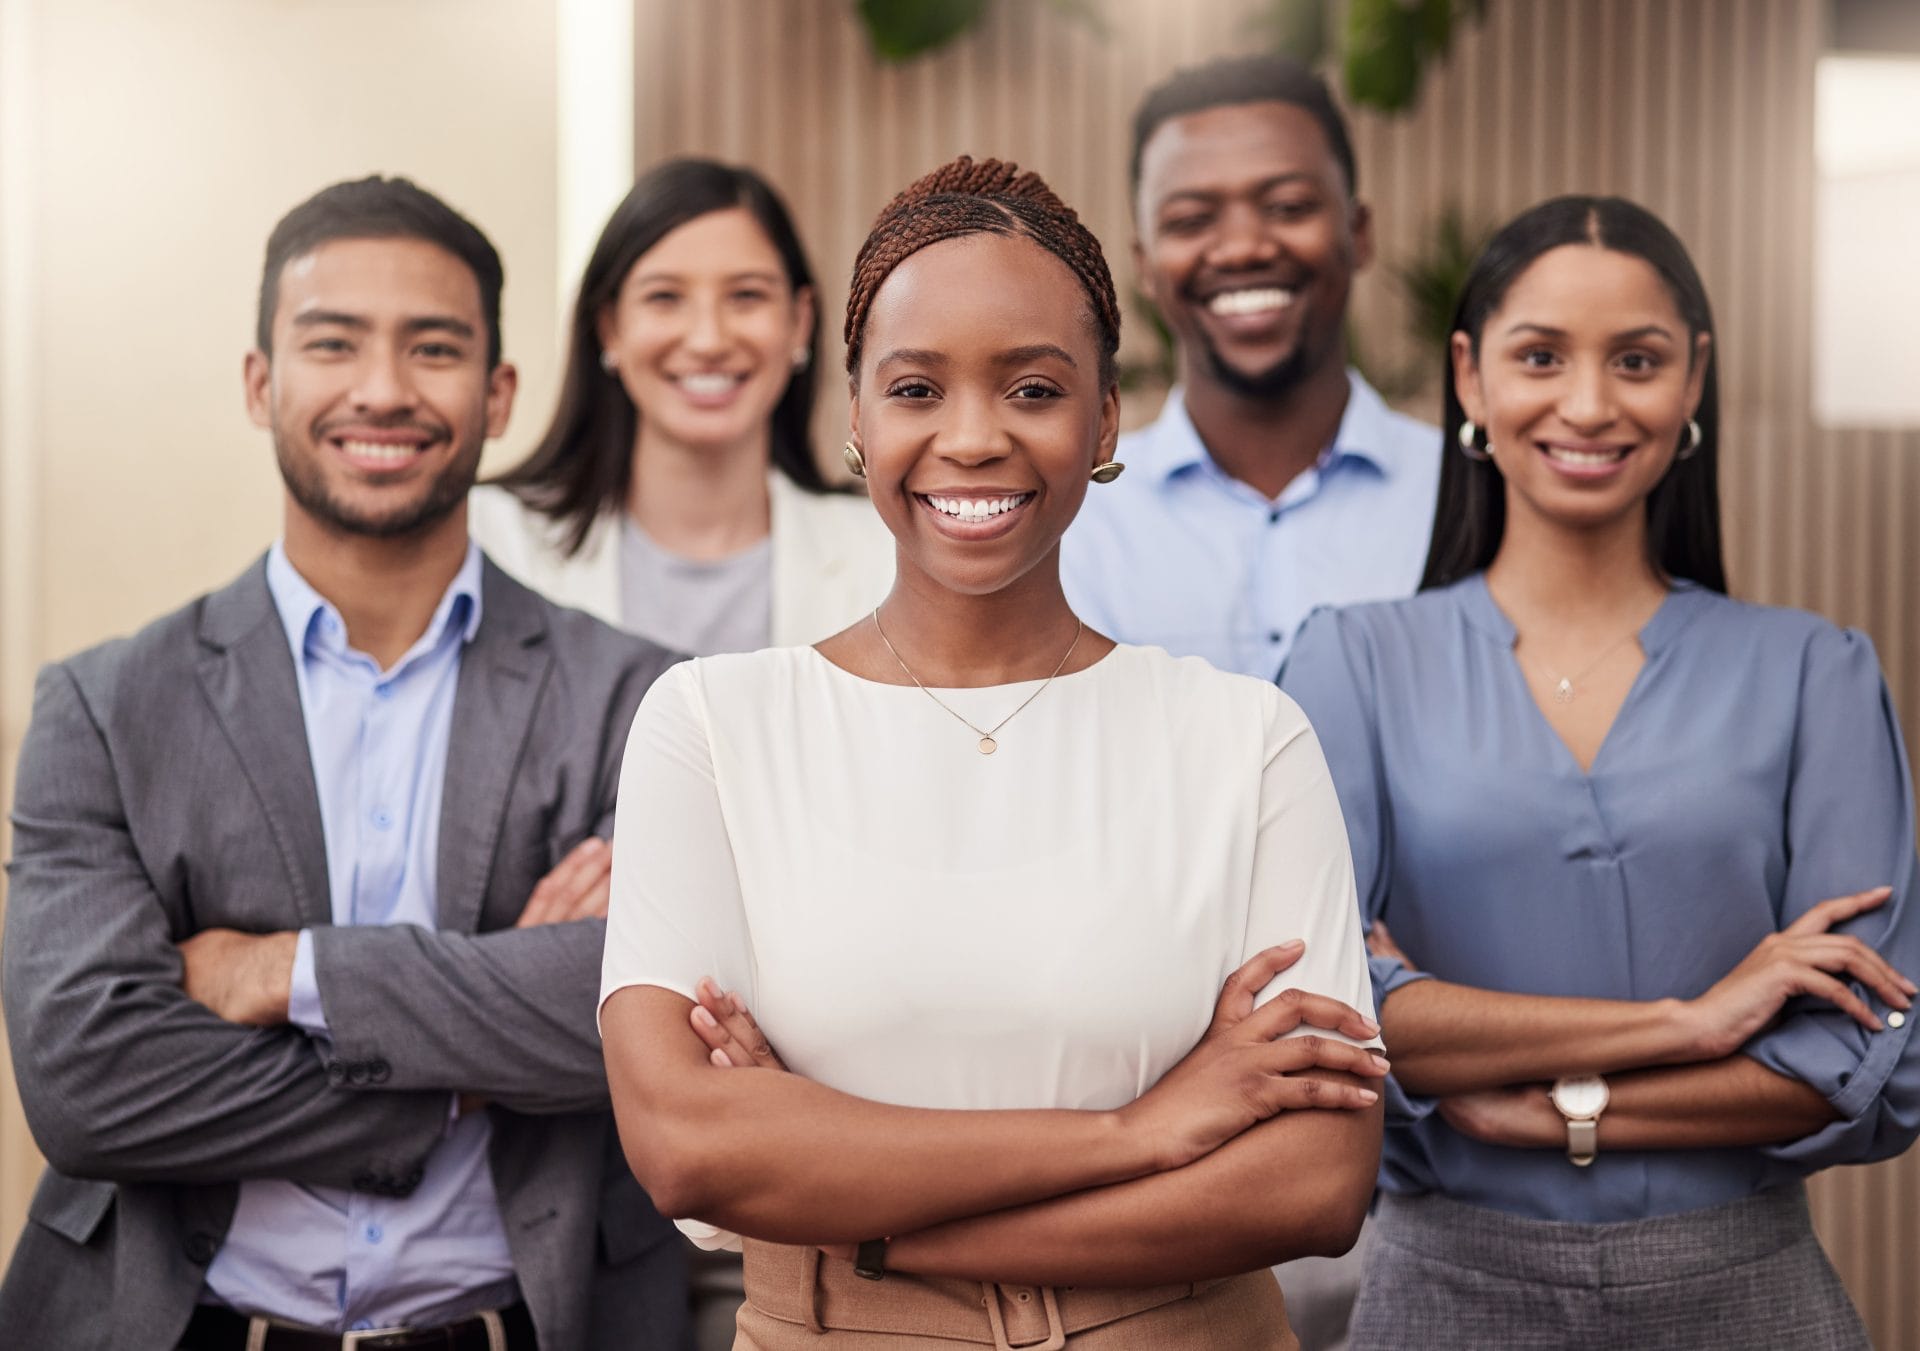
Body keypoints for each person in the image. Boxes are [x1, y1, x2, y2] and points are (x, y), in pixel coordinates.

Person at [597, 156, 1388, 1350]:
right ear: (854, 414)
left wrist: (857, 1201)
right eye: (916, 389)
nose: (972, 438)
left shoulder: (1244, 739)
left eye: (1032, 388)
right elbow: (688, 1145)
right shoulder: (712, 724)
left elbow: (1315, 1184)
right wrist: (1146, 1130)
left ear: (1105, 416)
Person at [0, 177, 689, 1350]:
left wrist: (288, 974)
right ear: (262, 383)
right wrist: (473, 1050)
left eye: (433, 347)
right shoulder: (103, 709)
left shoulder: (643, 700)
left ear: (499, 392)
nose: (383, 390)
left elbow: (641, 1026)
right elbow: (90, 1087)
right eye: (333, 344)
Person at [1281, 195, 1920, 1348]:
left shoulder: (1814, 672)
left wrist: (1546, 1112)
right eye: (1540, 357)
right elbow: (1330, 1013)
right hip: (1445, 1297)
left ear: (1693, 382)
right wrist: (1695, 1020)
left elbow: (1864, 1052)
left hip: (1748, 1297)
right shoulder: (1354, 663)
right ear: (1471, 378)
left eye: (1637, 360)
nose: (1588, 403)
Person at [1062, 54, 1440, 683]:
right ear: (1145, 263)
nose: (1243, 247)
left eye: (1289, 206)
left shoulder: (1468, 497)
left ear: (1360, 231)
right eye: (1190, 220)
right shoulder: (1075, 525)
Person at [471, 157, 893, 656]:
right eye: (665, 297)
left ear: (799, 324)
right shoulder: (491, 541)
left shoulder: (888, 553)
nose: (708, 339)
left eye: (746, 295)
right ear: (610, 327)